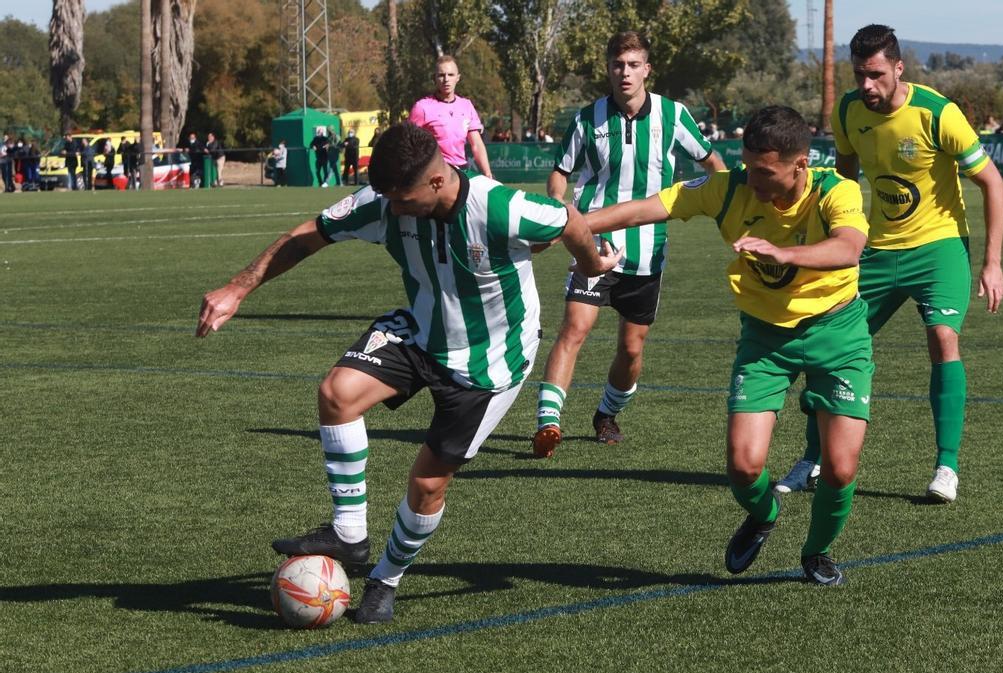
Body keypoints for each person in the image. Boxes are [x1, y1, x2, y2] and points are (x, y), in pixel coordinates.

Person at [195, 122, 620, 623]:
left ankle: (385, 578)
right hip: (419, 333)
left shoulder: (502, 206)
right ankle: (350, 534)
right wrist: (237, 289)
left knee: (427, 485)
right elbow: (307, 236)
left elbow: (569, 220)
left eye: (403, 199)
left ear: (438, 181)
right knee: (337, 393)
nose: (393, 210)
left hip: (490, 364)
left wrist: (590, 263)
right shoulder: (384, 202)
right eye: (388, 198)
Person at [584, 105, 872, 585]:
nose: (751, 179)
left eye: (764, 171)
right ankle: (763, 514)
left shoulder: (834, 189)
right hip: (765, 338)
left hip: (837, 332)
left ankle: (817, 552)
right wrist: (571, 225)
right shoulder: (730, 187)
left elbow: (849, 247)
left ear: (800, 165)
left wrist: (784, 252)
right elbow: (647, 207)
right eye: (747, 165)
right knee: (743, 466)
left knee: (841, 470)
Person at [776, 24, 1003, 503]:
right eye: (859, 74)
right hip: (877, 250)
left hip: (938, 247)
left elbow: (993, 184)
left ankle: (947, 467)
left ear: (898, 69)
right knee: (829, 343)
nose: (867, 85)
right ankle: (811, 459)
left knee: (943, 338)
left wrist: (992, 262)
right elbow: (842, 181)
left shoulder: (937, 113)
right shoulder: (847, 111)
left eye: (876, 74)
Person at [531, 31, 726, 457]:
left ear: (647, 70)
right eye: (618, 64)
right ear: (609, 68)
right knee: (574, 329)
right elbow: (561, 171)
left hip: (648, 252)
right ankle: (548, 423)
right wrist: (556, 207)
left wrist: (728, 207)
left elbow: (713, 165)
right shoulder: (588, 118)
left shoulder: (674, 116)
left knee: (631, 348)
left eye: (634, 64)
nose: (625, 72)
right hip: (593, 243)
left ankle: (606, 415)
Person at [409, 54, 493, 178]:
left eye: (451, 75)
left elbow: (476, 144)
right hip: (435, 173)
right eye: (441, 75)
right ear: (434, 78)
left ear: (458, 78)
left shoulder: (466, 105)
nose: (446, 79)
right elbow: (408, 143)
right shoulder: (422, 107)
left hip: (462, 172)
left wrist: (487, 173)